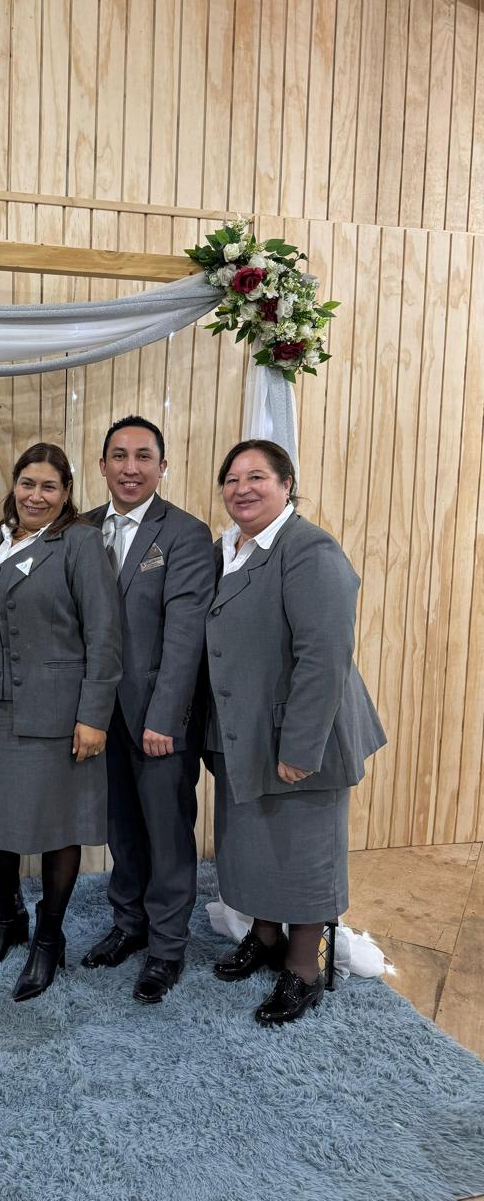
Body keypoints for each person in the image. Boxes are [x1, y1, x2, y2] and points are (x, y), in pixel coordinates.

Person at [205, 439, 386, 1025]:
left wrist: (301, 746)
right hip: (245, 729)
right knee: (257, 842)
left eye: (257, 477)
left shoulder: (310, 550)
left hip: (301, 734)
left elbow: (324, 655)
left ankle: (305, 968)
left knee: (305, 851)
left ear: (287, 485)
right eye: (232, 479)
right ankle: (265, 937)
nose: (243, 489)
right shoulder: (229, 549)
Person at [0, 442, 122, 1002]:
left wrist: (93, 716)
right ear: (14, 485)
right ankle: (10, 919)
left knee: (56, 828)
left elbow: (104, 634)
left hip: (59, 714)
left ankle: (50, 938)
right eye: (28, 483)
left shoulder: (79, 543)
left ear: (66, 492)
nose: (36, 495)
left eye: (49, 486)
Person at [80, 416, 216, 1003]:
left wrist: (166, 716)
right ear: (102, 465)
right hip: (96, 715)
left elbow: (186, 636)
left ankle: (166, 947)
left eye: (143, 456)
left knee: (167, 833)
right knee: (121, 828)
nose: (130, 467)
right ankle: (129, 923)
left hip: (158, 717)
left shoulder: (184, 533)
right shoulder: (81, 529)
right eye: (119, 455)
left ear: (163, 466)